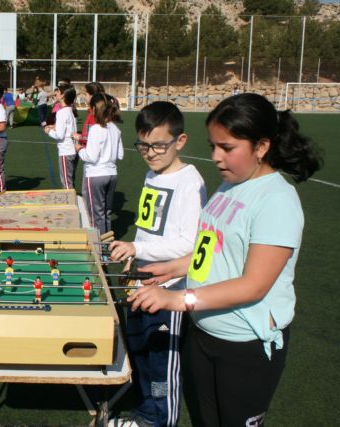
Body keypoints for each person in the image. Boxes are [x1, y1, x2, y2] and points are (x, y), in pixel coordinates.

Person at [126, 93, 322, 426]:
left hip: (244, 346)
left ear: (261, 147)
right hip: (204, 334)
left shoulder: (276, 200)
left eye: (227, 148)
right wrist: (170, 268)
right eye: (213, 146)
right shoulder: (229, 186)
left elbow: (253, 286)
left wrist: (177, 298)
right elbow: (211, 251)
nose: (216, 157)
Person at [108, 101, 206, 427]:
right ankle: (144, 412)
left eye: (159, 145)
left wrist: (137, 246)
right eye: (143, 145)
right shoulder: (154, 174)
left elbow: (189, 244)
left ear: (180, 141)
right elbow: (147, 226)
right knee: (140, 352)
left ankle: (160, 419)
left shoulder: (190, 183)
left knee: (163, 360)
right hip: (144, 280)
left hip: (170, 287)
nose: (150, 152)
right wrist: (135, 258)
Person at [75, 93, 124, 235]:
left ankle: (100, 247)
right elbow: (120, 155)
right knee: (106, 212)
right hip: (112, 174)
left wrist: (79, 149)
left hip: (96, 175)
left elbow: (91, 156)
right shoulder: (115, 129)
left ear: (95, 109)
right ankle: (108, 243)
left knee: (96, 214)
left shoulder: (96, 129)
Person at [44, 83, 78, 190]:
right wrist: (54, 126)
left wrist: (48, 131)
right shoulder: (69, 110)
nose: (55, 93)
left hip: (66, 151)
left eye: (57, 91)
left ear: (63, 95)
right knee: (70, 180)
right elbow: (68, 129)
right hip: (72, 150)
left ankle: (70, 204)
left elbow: (59, 135)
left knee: (66, 183)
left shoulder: (62, 112)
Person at [73, 82, 105, 147]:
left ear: (92, 96)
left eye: (86, 94)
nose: (84, 97)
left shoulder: (94, 115)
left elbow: (89, 138)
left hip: (90, 153)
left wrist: (78, 137)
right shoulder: (98, 112)